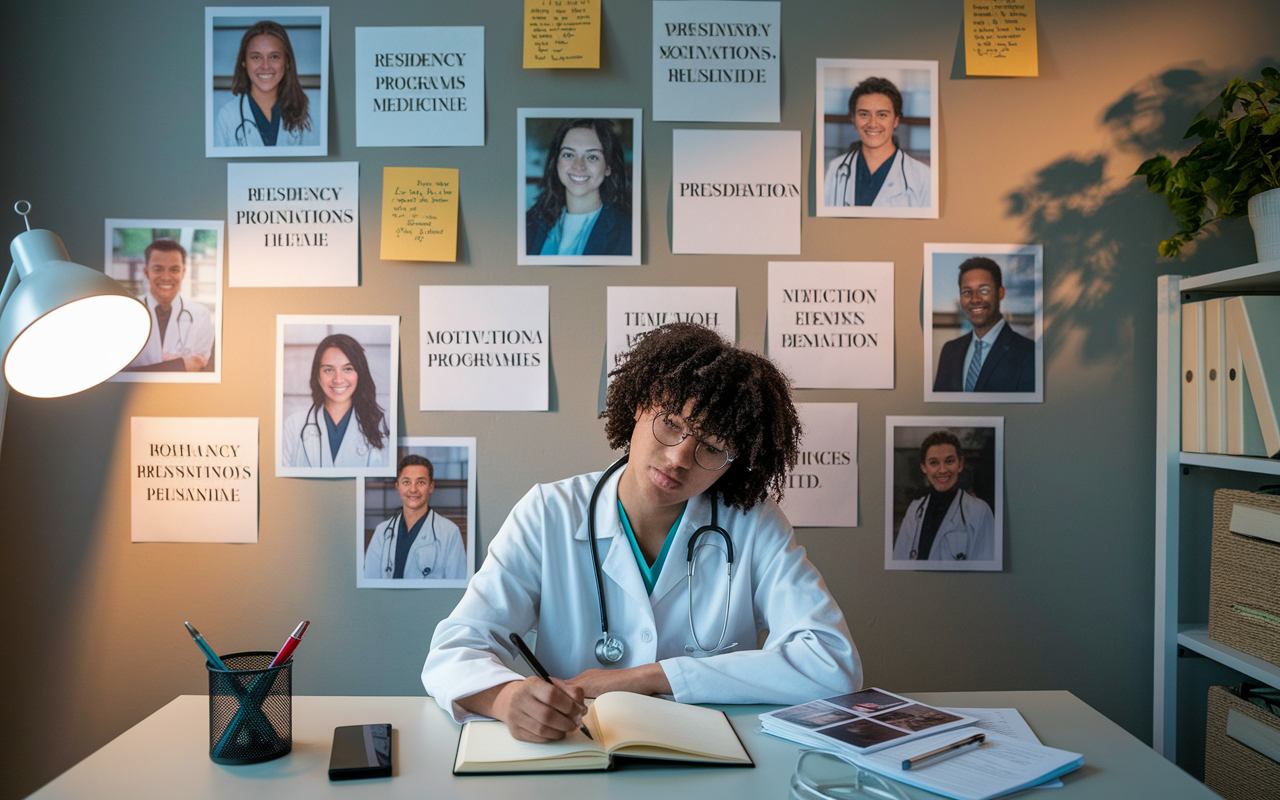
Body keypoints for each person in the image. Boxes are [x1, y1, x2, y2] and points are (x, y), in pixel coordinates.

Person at [422, 323, 861, 742]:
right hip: (580, 750)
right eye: (671, 423)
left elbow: (831, 663)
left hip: (708, 755)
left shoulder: (753, 523)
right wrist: (505, 698)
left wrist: (649, 679)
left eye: (711, 447)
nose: (678, 459)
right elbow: (453, 651)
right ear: (639, 404)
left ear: (735, 461)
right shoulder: (548, 513)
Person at [526, 118, 632, 256]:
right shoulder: (529, 223)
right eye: (568, 155)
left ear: (607, 168)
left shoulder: (627, 232)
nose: (579, 166)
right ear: (556, 162)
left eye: (592, 157)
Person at [281, 334, 389, 468]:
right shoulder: (294, 426)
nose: (338, 379)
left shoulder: (379, 427)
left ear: (359, 374)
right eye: (329, 370)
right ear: (317, 376)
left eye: (347, 369)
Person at [823, 76, 930, 208]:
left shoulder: (923, 177)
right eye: (864, 114)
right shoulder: (836, 169)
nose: (873, 124)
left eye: (882, 115)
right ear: (853, 119)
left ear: (896, 120)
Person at [933, 257, 1035, 393]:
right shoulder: (949, 350)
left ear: (1001, 293)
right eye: (967, 292)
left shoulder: (1029, 353)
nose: (975, 299)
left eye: (984, 290)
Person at [893, 431, 995, 562]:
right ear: (924, 467)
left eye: (949, 461)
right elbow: (899, 560)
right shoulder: (915, 508)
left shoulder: (979, 511)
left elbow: (986, 569)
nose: (942, 470)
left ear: (960, 464)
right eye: (934, 463)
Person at [213, 20, 318, 148]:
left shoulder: (307, 113)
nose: (265, 66)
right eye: (256, 57)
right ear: (244, 63)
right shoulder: (227, 117)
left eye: (274, 57)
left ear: (287, 62)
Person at [365, 455, 467, 581]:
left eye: (420, 482)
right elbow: (369, 583)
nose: (413, 489)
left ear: (431, 487)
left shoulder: (450, 533)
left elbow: (456, 587)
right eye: (406, 482)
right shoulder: (382, 531)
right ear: (398, 487)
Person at [124, 238, 215, 372]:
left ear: (183, 273)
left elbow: (198, 366)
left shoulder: (201, 315)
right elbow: (121, 371)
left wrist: (148, 363)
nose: (166, 277)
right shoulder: (126, 313)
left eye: (174, 270)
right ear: (146, 272)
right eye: (158, 269)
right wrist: (181, 364)